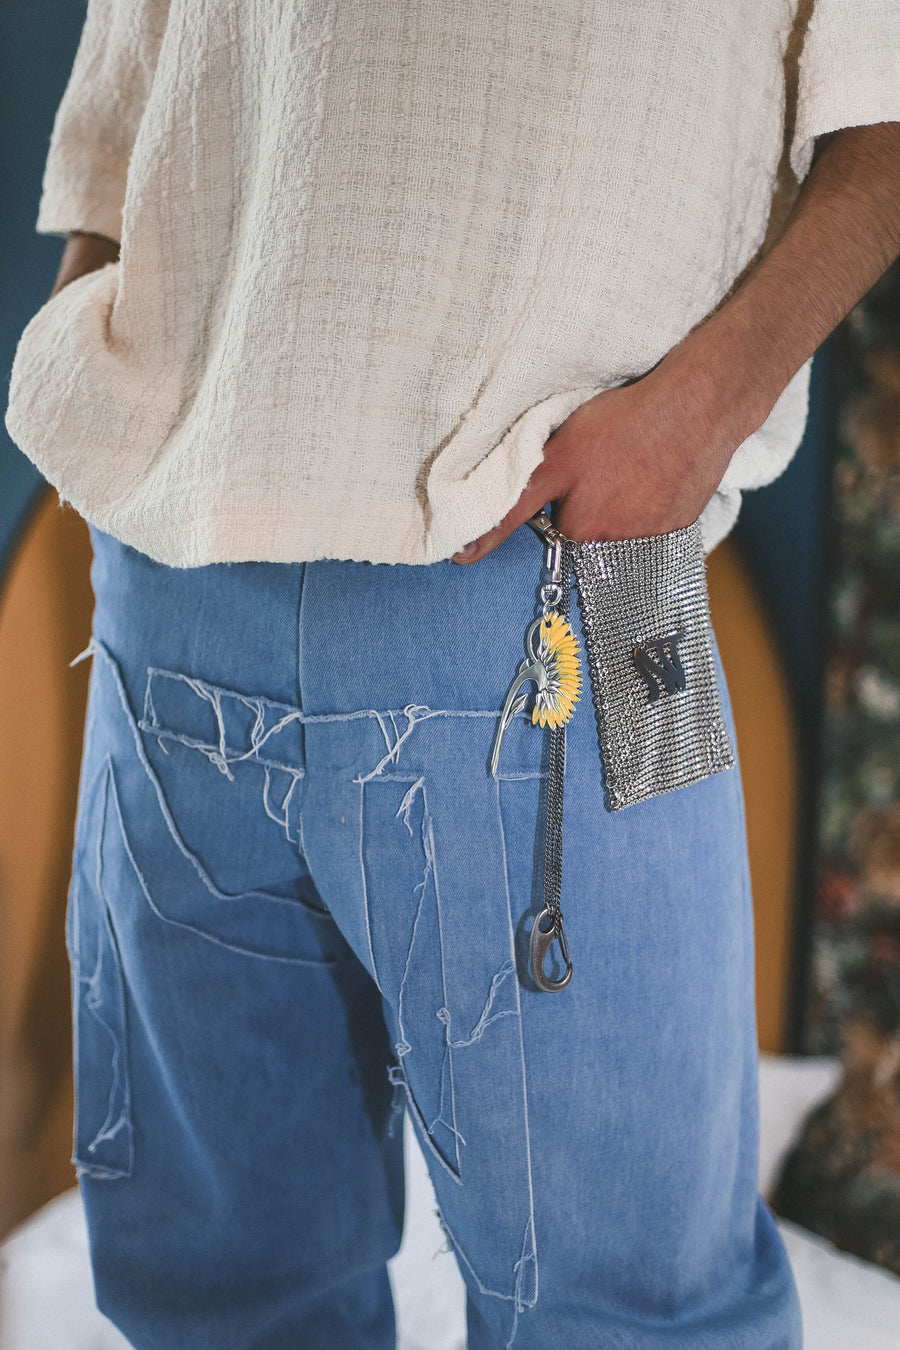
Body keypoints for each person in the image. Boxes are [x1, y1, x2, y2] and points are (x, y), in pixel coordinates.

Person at [5, 2, 900, 1346]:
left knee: (638, 1319)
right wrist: (94, 311)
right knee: (216, 1300)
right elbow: (131, 75)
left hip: (560, 582)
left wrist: (697, 417)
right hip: (171, 584)